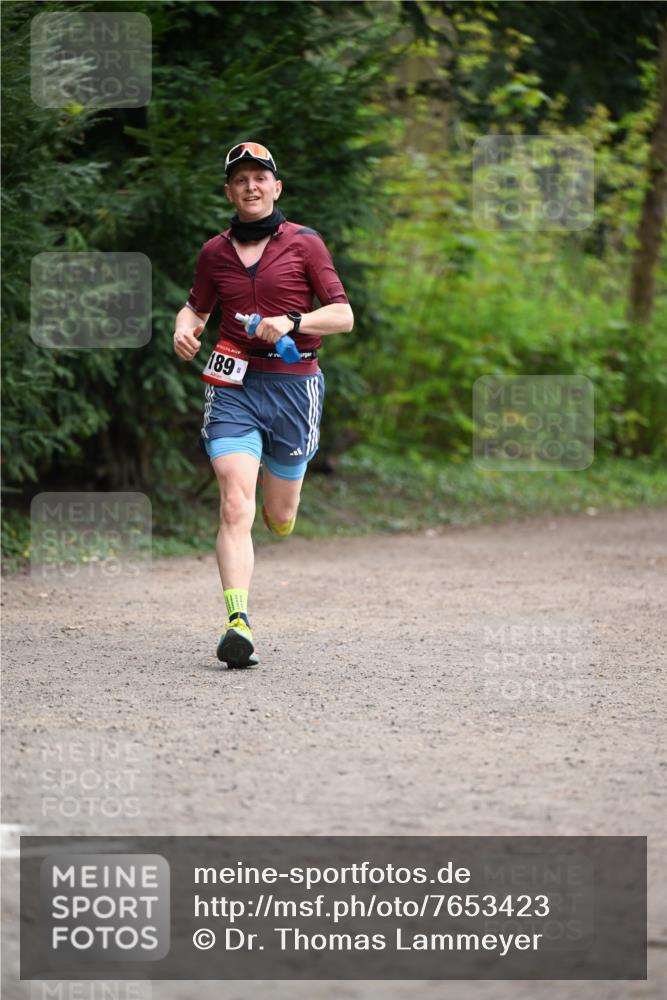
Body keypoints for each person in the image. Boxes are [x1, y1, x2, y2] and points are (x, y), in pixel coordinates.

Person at [173, 141, 354, 668]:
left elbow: (342, 315)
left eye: (261, 178)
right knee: (234, 500)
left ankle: (281, 516)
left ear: (276, 188)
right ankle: (237, 622)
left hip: (294, 389)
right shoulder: (214, 252)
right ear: (229, 191)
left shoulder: (304, 244)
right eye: (240, 179)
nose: (251, 186)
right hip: (233, 387)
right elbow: (195, 308)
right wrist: (184, 331)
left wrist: (294, 323)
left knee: (279, 513)